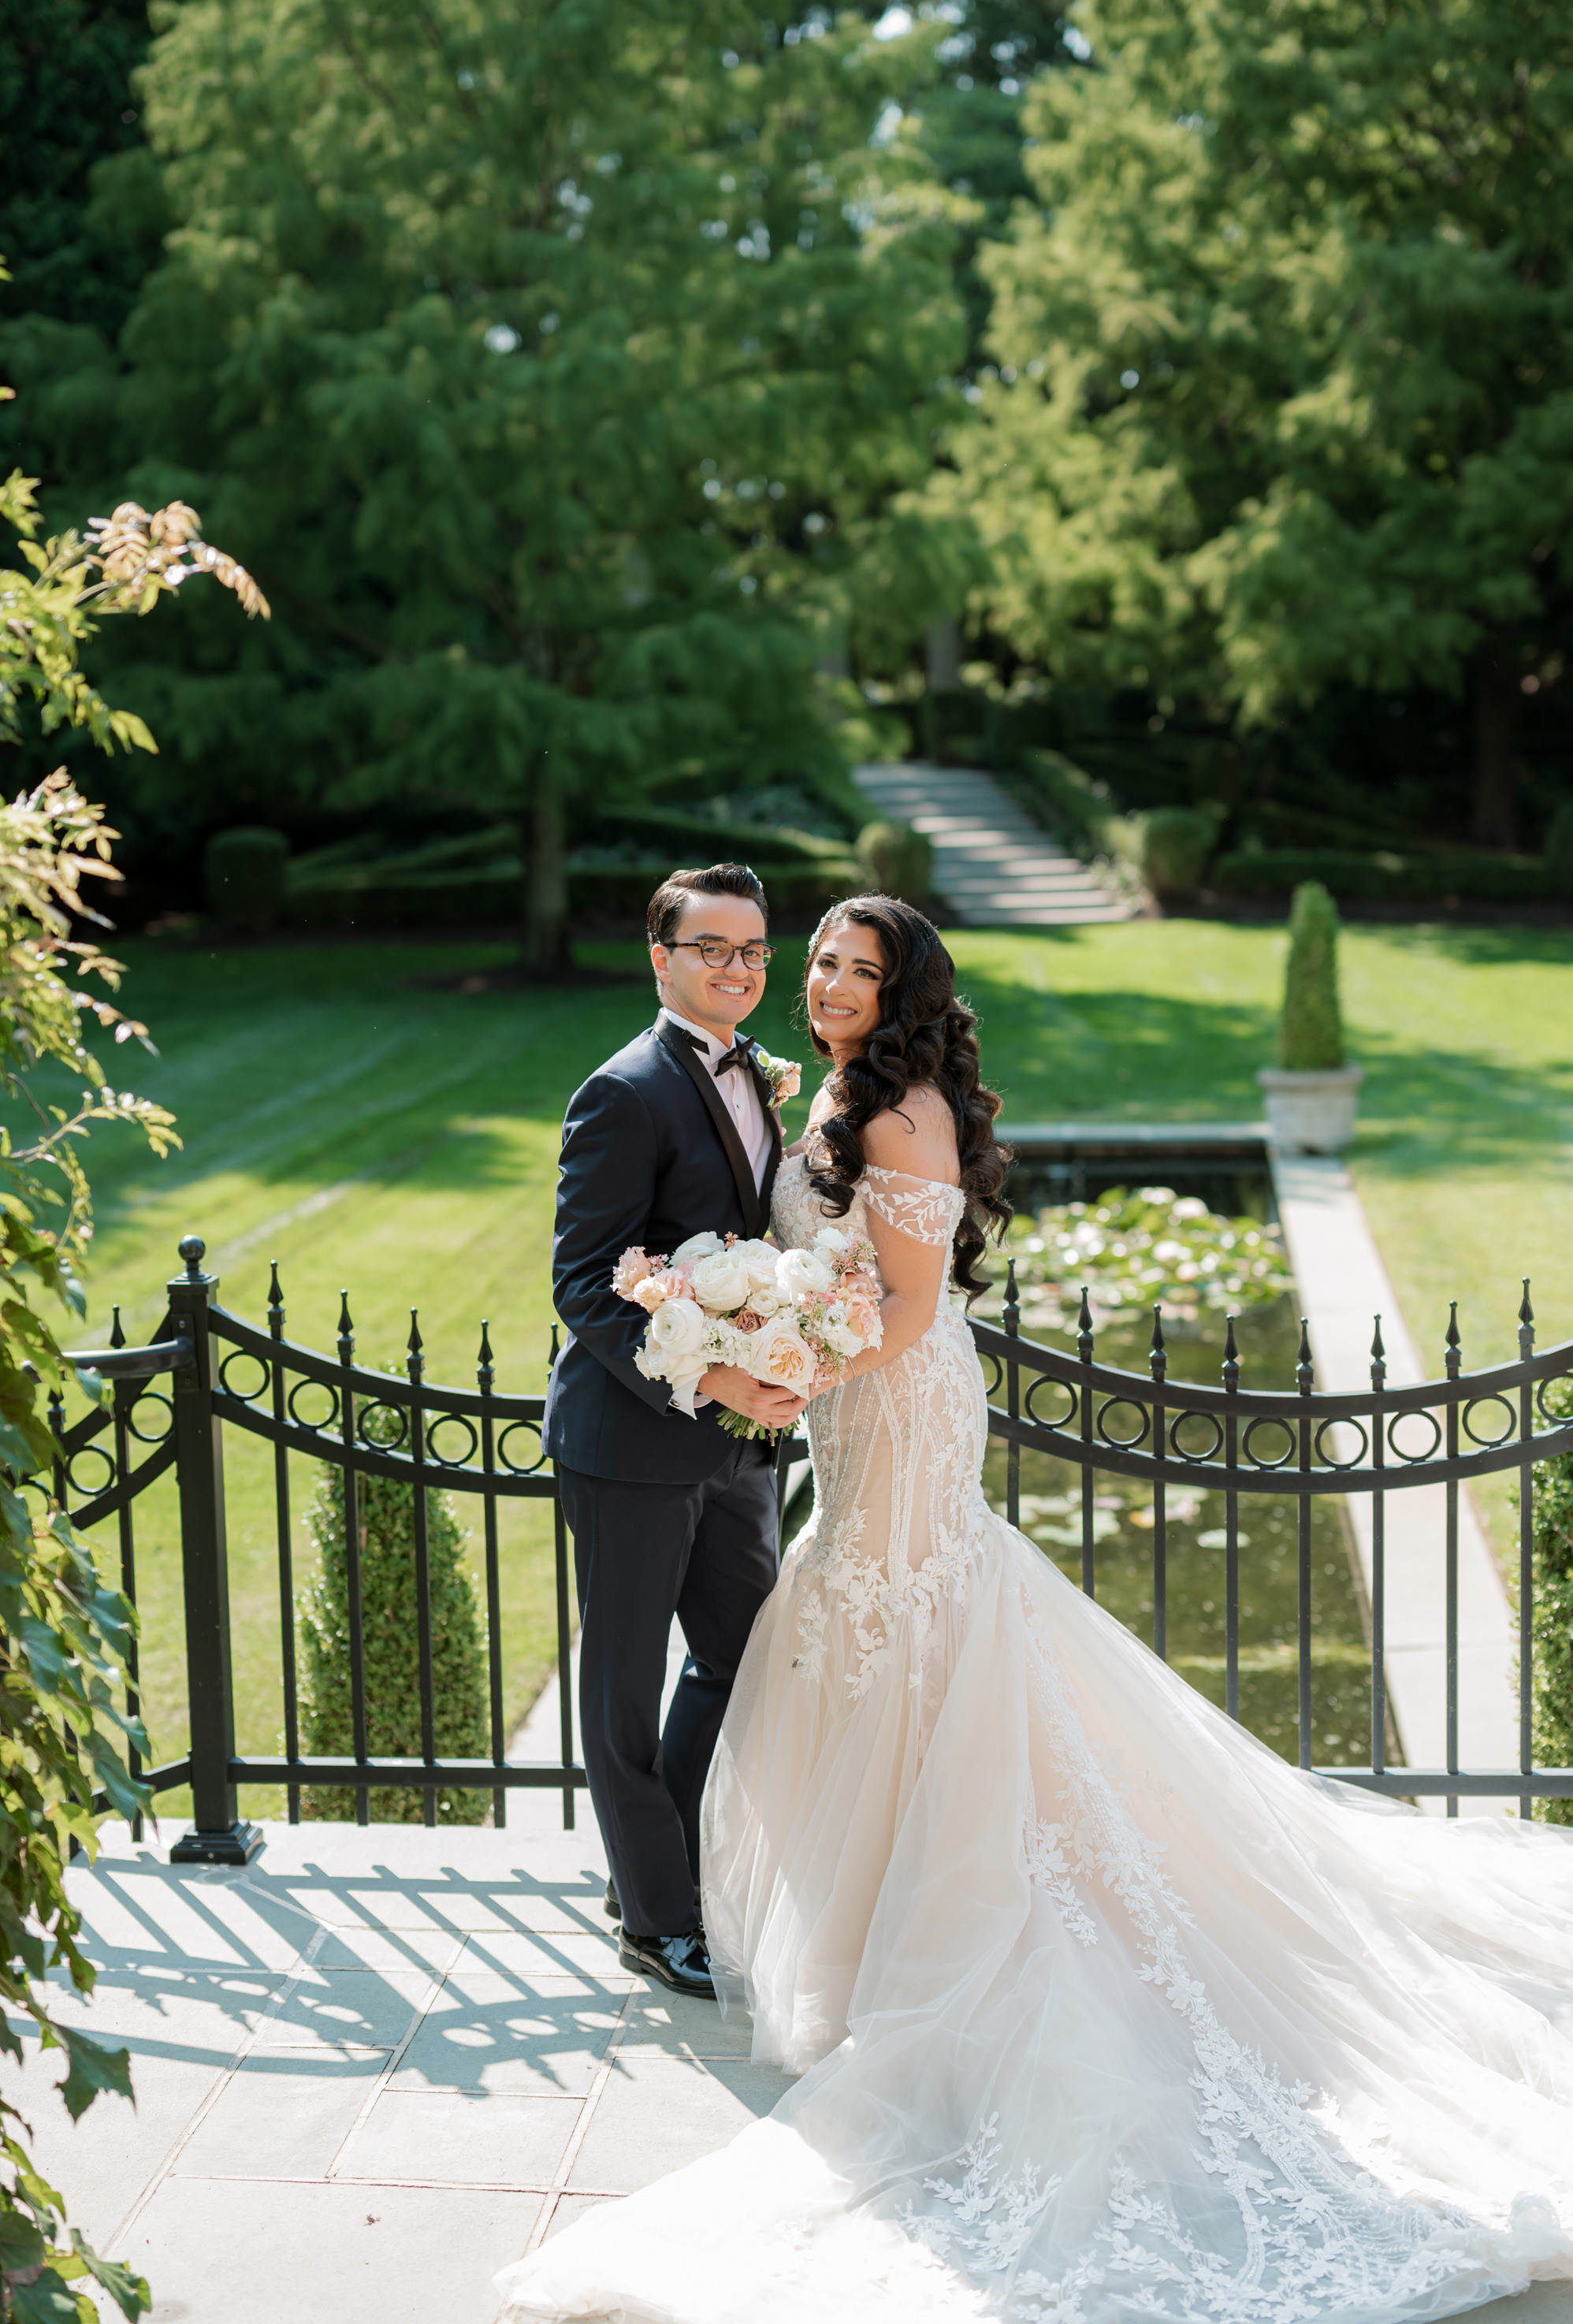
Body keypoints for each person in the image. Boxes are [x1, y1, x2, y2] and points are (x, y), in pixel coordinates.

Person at [504, 896, 1573, 2322]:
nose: (817, 980)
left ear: (903, 993)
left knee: (905, 1621)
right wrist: (742, 1330)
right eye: (813, 959)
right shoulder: (803, 1085)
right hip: (836, 1408)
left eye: (850, 967)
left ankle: (965, 1915)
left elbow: (900, 1309)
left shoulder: (903, 1113)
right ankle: (840, 1911)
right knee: (845, 1635)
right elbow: (717, 1262)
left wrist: (782, 1364)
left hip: (894, 1402)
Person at [541, 861, 800, 2000]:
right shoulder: (625, 1091)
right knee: (622, 1688)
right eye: (712, 949)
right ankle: (656, 1917)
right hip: (635, 1443)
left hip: (737, 1451)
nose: (736, 968)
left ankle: (649, 1864)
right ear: (662, 959)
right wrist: (713, 1389)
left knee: (743, 1662)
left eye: (752, 951)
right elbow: (587, 1287)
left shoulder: (760, 1080)